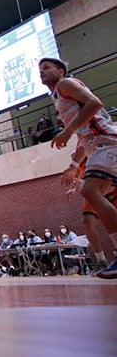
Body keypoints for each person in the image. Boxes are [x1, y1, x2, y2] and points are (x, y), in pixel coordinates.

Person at [39, 57, 117, 279]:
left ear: (61, 71)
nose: (42, 72)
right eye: (39, 69)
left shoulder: (66, 84)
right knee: (94, 195)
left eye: (47, 67)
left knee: (90, 191)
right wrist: (73, 166)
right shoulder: (58, 97)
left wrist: (67, 131)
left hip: (107, 141)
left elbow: (95, 104)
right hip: (96, 146)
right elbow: (85, 137)